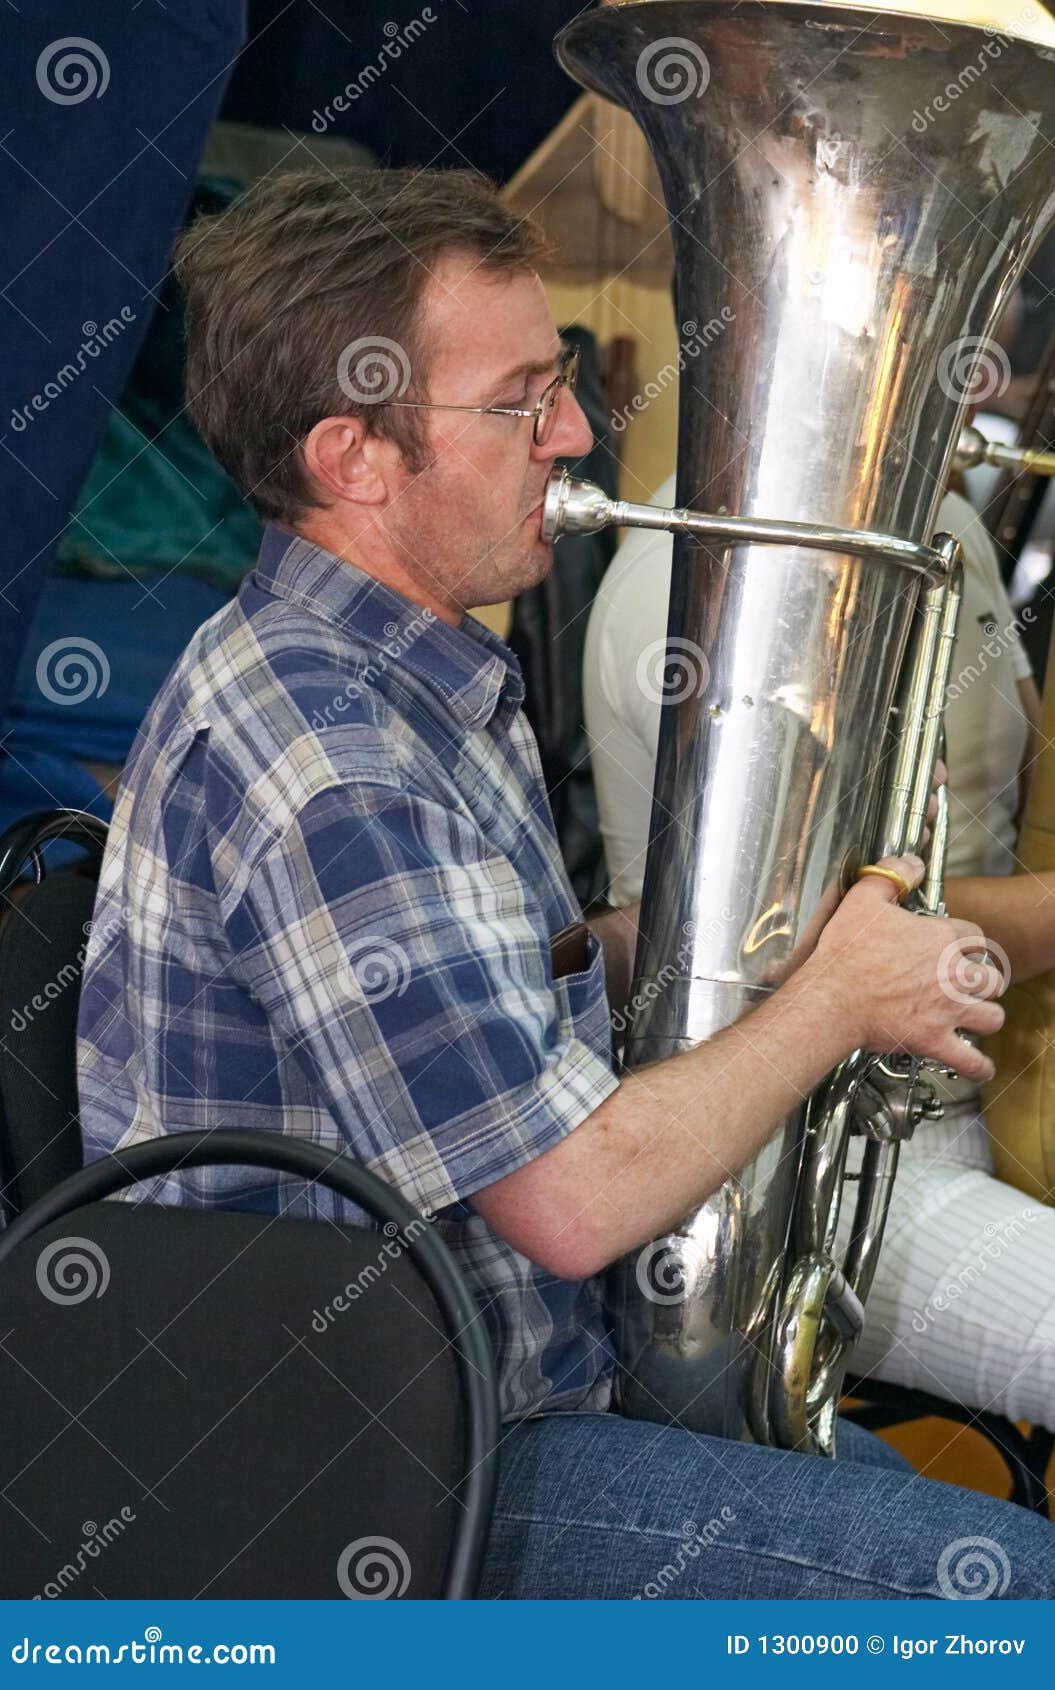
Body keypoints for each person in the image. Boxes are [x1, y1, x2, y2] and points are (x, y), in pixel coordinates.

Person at [77, 168, 1055, 1599]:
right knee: (1003, 1588)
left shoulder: (389, 677)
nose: (578, 434)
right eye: (522, 398)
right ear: (355, 456)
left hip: (485, 1383)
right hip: (386, 1461)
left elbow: (485, 996)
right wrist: (836, 995)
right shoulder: (331, 755)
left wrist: (711, 937)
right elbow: (571, 1199)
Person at [584, 468, 1055, 1431]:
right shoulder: (691, 573)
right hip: (799, 1162)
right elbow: (795, 928)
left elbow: (1023, 787)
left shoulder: (945, 516)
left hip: (982, 1083)